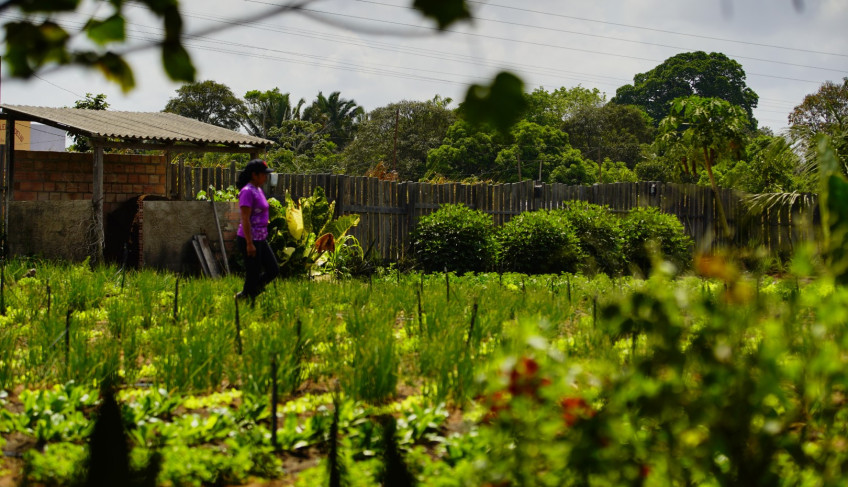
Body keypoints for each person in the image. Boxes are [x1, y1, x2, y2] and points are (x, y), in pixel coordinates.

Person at [235, 159, 279, 302]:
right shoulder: (247, 192)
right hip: (249, 239)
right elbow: (245, 219)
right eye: (263, 174)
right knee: (253, 273)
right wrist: (249, 243)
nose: (266, 177)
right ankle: (248, 298)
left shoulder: (258, 190)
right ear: (254, 175)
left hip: (261, 238)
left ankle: (248, 293)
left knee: (273, 269)